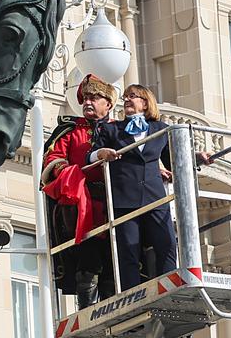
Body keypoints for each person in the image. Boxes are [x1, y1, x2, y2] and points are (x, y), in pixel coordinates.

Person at [90, 83, 176, 289]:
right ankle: (132, 293)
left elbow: (173, 160)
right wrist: (100, 154)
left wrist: (199, 158)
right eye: (126, 97)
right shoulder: (112, 129)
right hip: (124, 198)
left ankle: (169, 287)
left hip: (155, 197)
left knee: (167, 243)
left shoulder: (160, 129)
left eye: (133, 96)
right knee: (128, 250)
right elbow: (90, 156)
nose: (127, 99)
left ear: (145, 103)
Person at [41, 75, 117, 305]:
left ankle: (113, 306)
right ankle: (88, 310)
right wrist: (66, 171)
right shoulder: (71, 130)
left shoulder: (118, 129)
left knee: (112, 262)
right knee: (88, 261)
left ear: (108, 104)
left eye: (94, 98)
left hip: (113, 202)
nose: (87, 102)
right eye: (85, 98)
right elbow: (53, 158)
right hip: (81, 205)